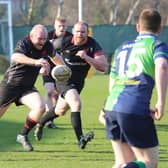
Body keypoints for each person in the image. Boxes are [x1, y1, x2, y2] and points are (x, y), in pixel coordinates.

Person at [103, 8, 168, 168]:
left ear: (138, 27)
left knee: (122, 162)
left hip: (111, 108)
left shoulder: (122, 47)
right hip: (134, 108)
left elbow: (113, 80)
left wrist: (106, 108)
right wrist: (160, 102)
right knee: (149, 162)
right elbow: (162, 66)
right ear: (160, 28)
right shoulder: (157, 45)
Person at [34, 21, 108, 149]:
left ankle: (40, 123)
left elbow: (103, 67)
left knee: (60, 110)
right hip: (64, 80)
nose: (80, 34)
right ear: (73, 32)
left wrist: (87, 58)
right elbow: (46, 52)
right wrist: (45, 67)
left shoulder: (92, 45)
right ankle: (80, 138)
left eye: (83, 32)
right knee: (76, 103)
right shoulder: (62, 42)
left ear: (87, 32)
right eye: (77, 31)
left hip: (78, 83)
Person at [0, 24, 65, 152]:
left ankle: (22, 135)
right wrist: (36, 62)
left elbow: (57, 60)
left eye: (45, 38)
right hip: (11, 84)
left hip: (27, 87)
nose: (42, 42)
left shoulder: (47, 45)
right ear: (31, 36)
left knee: (40, 107)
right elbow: (16, 57)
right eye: (40, 39)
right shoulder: (24, 43)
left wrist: (64, 70)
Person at [43, 17, 72, 129]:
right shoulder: (48, 36)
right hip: (48, 67)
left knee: (57, 95)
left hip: (63, 69)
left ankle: (51, 117)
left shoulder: (70, 38)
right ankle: (49, 121)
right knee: (50, 91)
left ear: (66, 27)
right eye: (59, 26)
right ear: (55, 26)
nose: (61, 28)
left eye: (63, 26)